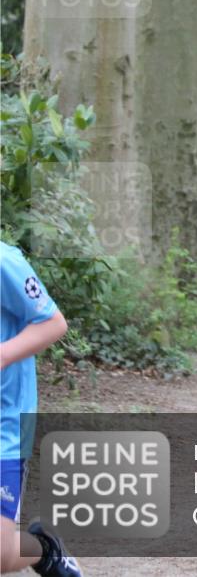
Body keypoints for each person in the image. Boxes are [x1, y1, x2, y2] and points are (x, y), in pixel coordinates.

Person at [0, 242, 83, 576]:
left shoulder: (4, 261)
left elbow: (52, 323)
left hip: (5, 424)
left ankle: (45, 548)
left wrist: (2, 356)